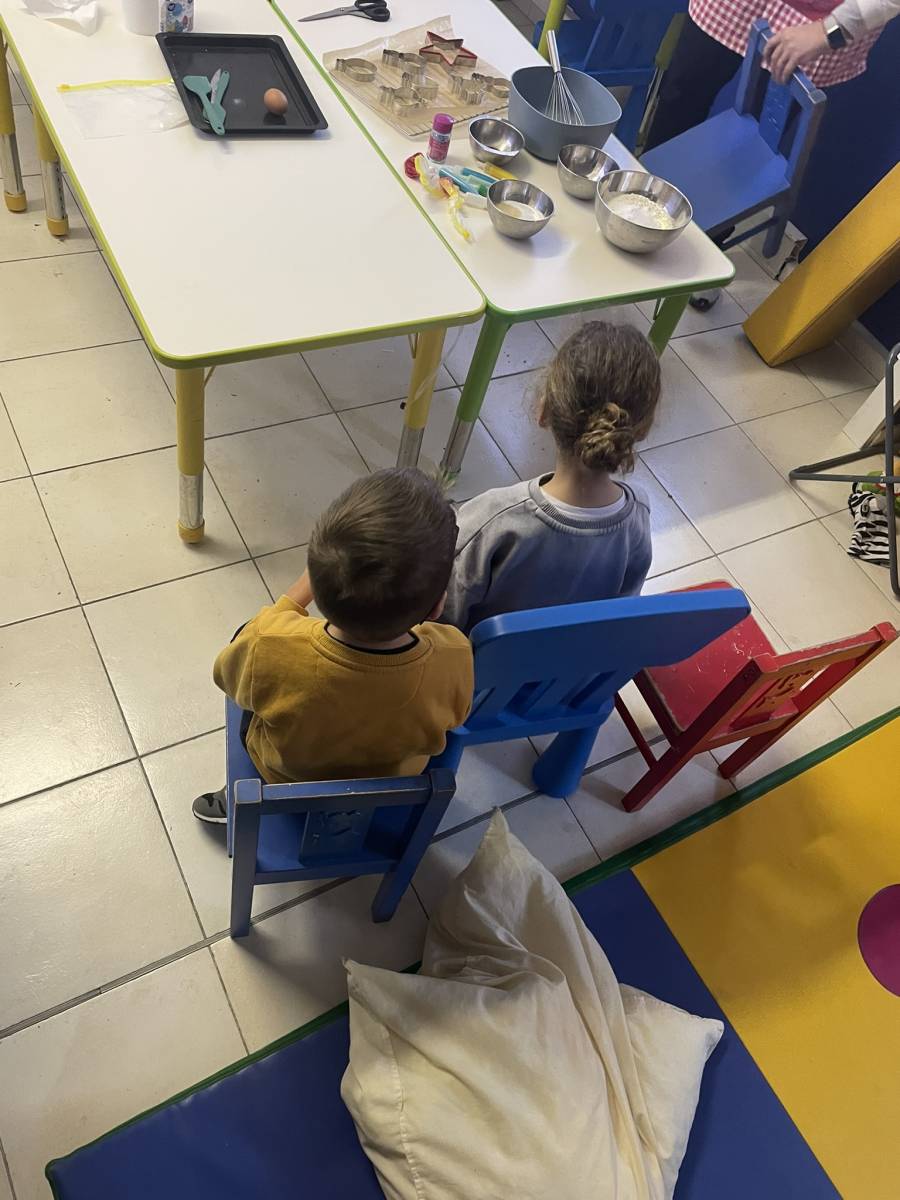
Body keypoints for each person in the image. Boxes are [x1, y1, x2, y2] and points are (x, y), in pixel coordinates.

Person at [192, 468, 473, 823]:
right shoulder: (454, 655)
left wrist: (290, 602)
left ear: (317, 583)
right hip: (388, 788)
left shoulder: (270, 642)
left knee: (244, 644)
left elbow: (226, 678)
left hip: (283, 779)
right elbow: (457, 716)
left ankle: (239, 800)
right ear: (436, 606)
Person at [442, 321, 661, 635]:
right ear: (641, 429)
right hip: (569, 664)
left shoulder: (495, 518)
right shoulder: (639, 515)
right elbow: (620, 612)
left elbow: (443, 619)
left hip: (483, 664)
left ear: (543, 409)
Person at [645, 0, 900, 152]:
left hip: (821, 21)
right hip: (729, 7)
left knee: (755, 143)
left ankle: (710, 223)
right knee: (679, 97)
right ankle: (641, 198)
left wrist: (829, 31)